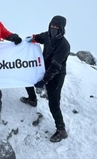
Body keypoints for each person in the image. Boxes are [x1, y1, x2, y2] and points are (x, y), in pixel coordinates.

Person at [20, 15, 70, 143]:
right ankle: (32, 99)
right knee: (28, 79)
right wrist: (30, 39)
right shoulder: (48, 35)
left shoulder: (64, 45)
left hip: (56, 76)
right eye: (52, 25)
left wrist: (44, 80)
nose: (54, 28)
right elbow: (38, 37)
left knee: (53, 102)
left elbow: (55, 66)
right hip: (43, 68)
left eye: (57, 26)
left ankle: (61, 130)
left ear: (61, 28)